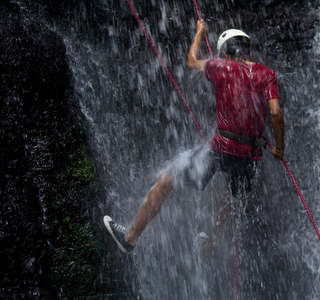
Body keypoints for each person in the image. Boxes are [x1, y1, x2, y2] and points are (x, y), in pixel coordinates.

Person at [103, 20, 285, 295]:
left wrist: (200, 32)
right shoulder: (266, 73)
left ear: (225, 52)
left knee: (167, 180)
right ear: (248, 50)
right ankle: (209, 244)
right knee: (233, 199)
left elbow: (191, 62)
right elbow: (275, 113)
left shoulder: (220, 66)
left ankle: (129, 238)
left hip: (221, 149)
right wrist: (279, 148)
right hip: (249, 156)